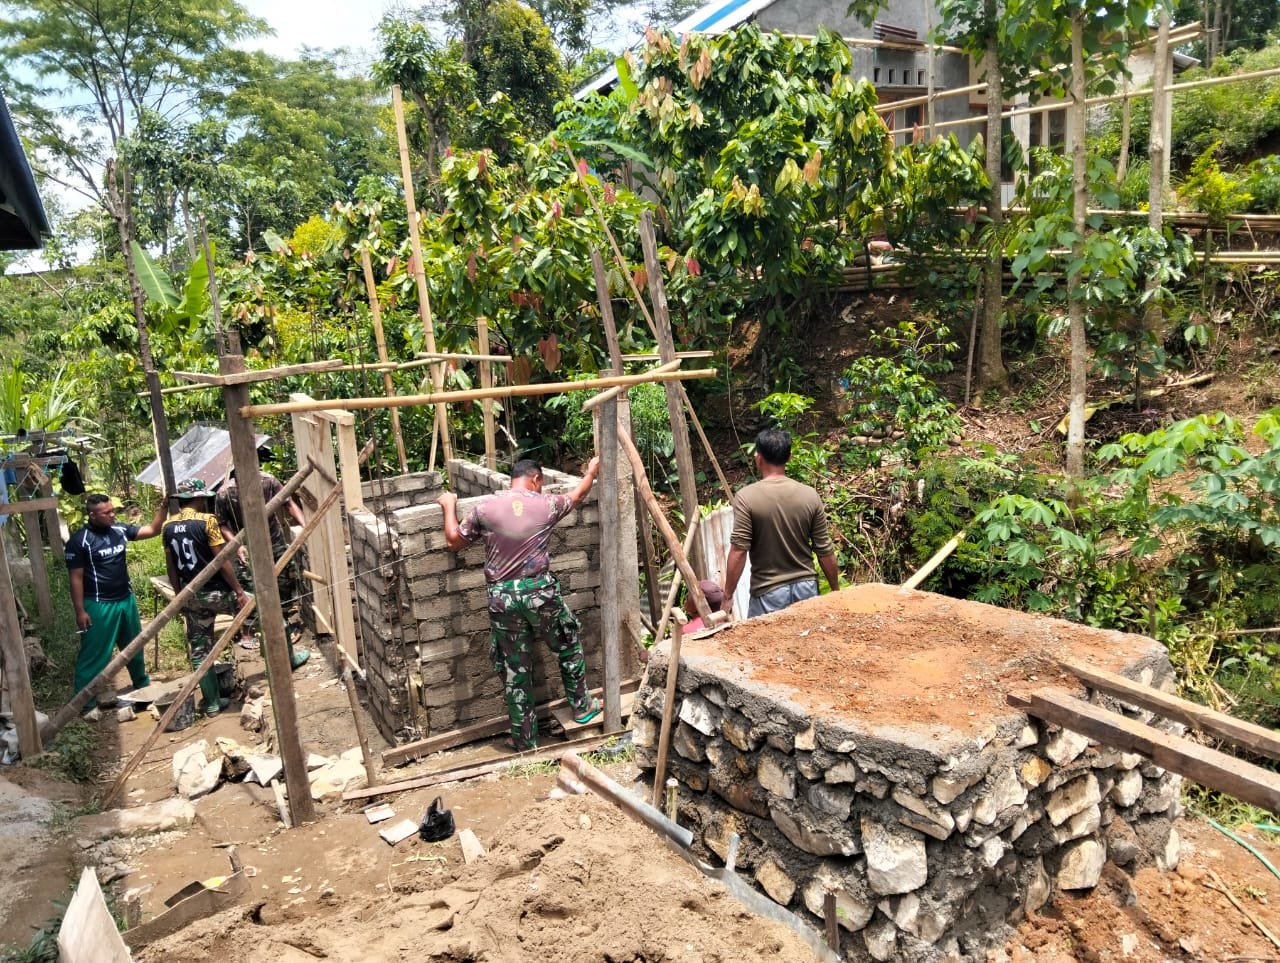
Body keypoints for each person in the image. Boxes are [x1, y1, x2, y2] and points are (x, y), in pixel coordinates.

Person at [438, 457, 604, 751]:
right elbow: (578, 495)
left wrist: (448, 504)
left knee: (515, 669)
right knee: (567, 645)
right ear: (536, 479)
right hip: (538, 592)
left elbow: (453, 540)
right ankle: (582, 707)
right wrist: (591, 472)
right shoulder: (546, 504)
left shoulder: (484, 508)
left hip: (501, 598)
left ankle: (525, 739)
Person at [66, 492, 168, 712]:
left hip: (125, 599)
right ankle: (84, 703)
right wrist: (80, 610)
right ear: (93, 515)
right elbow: (75, 578)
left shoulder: (119, 530)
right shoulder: (79, 541)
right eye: (107, 513)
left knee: (134, 646)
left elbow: (153, 530)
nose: (112, 515)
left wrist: (163, 508)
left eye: (113, 510)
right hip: (99, 604)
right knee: (95, 654)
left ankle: (142, 684)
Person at [722, 429, 840, 618]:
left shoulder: (746, 498)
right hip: (807, 589)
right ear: (789, 457)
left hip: (768, 593)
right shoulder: (810, 495)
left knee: (766, 638)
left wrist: (728, 595)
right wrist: (835, 591)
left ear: (758, 458)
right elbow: (824, 550)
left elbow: (739, 551)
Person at [163, 479, 251, 716]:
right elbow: (221, 560)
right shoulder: (207, 520)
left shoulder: (168, 526)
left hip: (191, 595)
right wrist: (239, 591)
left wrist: (179, 595)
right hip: (217, 591)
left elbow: (171, 566)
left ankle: (212, 703)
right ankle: (288, 660)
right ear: (200, 498)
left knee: (200, 650)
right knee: (265, 611)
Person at [214, 469, 309, 669]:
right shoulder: (225, 493)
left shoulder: (268, 481)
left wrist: (305, 527)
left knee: (284, 582)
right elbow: (222, 524)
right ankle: (251, 634)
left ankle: (284, 629)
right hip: (245, 544)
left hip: (273, 540)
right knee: (249, 589)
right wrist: (237, 545)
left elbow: (289, 503)